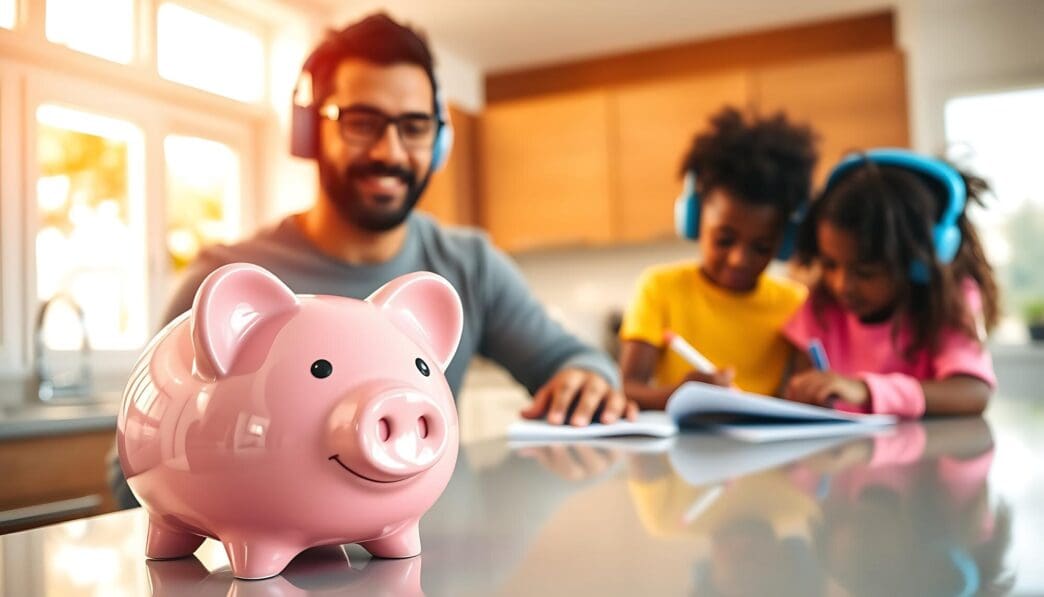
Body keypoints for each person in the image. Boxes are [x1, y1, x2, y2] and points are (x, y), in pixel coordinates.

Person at [109, 13, 635, 508]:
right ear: (311, 131)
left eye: (414, 126)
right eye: (363, 122)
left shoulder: (468, 265)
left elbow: (573, 360)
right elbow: (134, 469)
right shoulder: (224, 282)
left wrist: (585, 378)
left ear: (440, 140)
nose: (390, 151)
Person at [618, 107, 818, 408]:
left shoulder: (795, 303)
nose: (739, 260)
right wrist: (678, 395)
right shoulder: (659, 288)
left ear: (784, 241)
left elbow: (807, 397)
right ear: (695, 217)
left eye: (761, 247)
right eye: (724, 240)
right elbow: (627, 389)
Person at [783, 149, 999, 417]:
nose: (842, 286)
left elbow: (973, 392)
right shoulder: (821, 306)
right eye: (829, 265)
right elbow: (802, 389)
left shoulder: (947, 303)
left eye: (865, 272)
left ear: (915, 264)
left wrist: (866, 390)